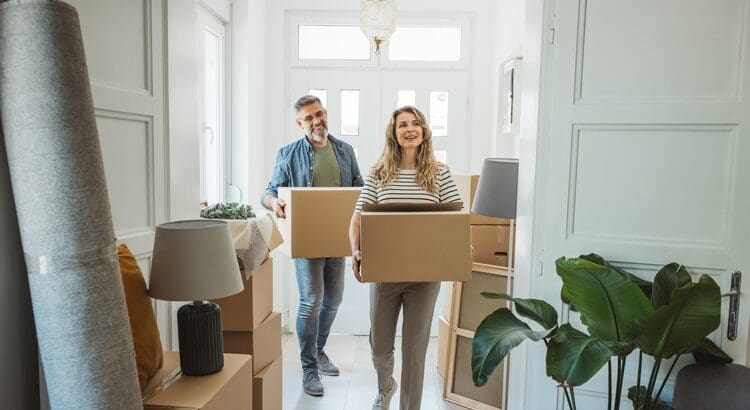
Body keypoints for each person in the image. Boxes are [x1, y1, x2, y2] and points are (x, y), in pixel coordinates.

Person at [348, 106, 461, 409]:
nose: (410, 129)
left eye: (415, 124)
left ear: (424, 131)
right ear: (394, 133)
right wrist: (355, 251)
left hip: (425, 277)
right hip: (385, 273)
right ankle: (385, 386)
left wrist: (461, 249)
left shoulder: (440, 173)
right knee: (380, 345)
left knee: (415, 349)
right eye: (402, 125)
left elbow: (456, 218)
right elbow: (358, 218)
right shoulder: (378, 173)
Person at [262, 95, 364, 396]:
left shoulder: (345, 151)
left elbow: (360, 187)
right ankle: (308, 368)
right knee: (311, 301)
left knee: (334, 299)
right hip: (307, 240)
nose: (316, 121)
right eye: (309, 117)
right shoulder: (288, 153)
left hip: (338, 238)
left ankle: (319, 350)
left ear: (326, 114)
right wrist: (274, 202)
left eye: (319, 114)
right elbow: (268, 190)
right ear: (299, 123)